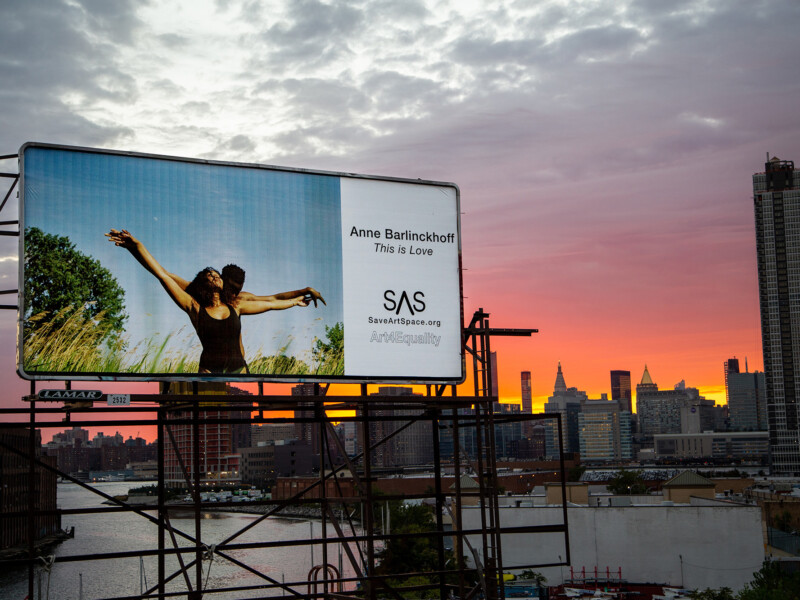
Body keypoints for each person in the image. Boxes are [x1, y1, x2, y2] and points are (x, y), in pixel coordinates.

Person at [105, 229, 324, 373]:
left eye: (217, 274)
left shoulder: (236, 305)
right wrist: (136, 246)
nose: (215, 276)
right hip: (209, 372)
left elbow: (272, 300)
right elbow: (162, 274)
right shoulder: (193, 306)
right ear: (202, 283)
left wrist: (299, 296)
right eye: (210, 275)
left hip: (239, 370)